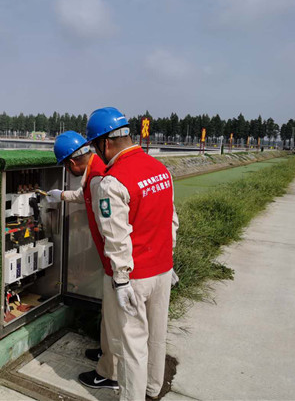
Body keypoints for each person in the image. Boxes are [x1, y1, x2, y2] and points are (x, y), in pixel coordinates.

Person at [84, 107, 179, 401]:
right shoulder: (159, 169)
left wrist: (121, 279)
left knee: (130, 345)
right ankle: (153, 388)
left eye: (95, 147)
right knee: (156, 335)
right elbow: (170, 220)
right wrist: (168, 258)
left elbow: (116, 238)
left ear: (104, 143)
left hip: (133, 278)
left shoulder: (112, 181)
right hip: (162, 270)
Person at [48, 131, 120, 390]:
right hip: (109, 257)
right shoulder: (94, 170)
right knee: (108, 313)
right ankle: (106, 353)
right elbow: (83, 194)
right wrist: (62, 195)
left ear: (71, 162)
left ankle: (109, 372)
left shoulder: (100, 178)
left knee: (114, 317)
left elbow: (113, 226)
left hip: (115, 260)